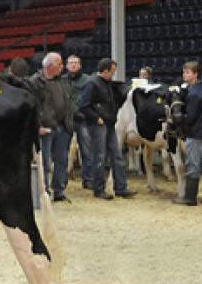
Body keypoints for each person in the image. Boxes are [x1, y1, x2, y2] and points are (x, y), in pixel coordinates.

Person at [78, 58, 136, 200]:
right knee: (99, 157)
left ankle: (121, 188)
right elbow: (83, 105)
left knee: (116, 156)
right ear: (105, 71)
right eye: (113, 71)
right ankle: (99, 189)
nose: (113, 74)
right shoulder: (92, 84)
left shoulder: (107, 84)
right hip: (98, 124)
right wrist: (96, 118)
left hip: (109, 123)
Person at [30, 53, 76, 202]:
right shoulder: (35, 82)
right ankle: (43, 192)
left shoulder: (62, 81)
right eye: (60, 64)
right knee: (44, 162)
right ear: (49, 66)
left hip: (62, 127)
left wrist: (70, 122)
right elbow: (31, 106)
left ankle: (59, 190)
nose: (62, 67)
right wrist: (37, 126)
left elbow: (69, 101)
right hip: (45, 128)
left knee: (61, 160)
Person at [173, 61, 202, 206]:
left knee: (192, 165)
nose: (184, 75)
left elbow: (191, 117)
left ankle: (190, 197)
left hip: (196, 133)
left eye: (187, 72)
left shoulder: (194, 93)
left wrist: (178, 119)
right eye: (184, 72)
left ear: (195, 74)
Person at [64, 55, 92, 189]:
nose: (73, 65)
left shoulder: (88, 80)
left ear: (80, 65)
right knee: (62, 151)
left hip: (83, 119)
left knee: (86, 151)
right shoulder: (62, 80)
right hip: (66, 120)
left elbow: (87, 99)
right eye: (70, 63)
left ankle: (87, 180)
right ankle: (62, 180)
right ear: (66, 66)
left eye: (76, 63)